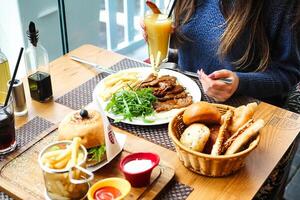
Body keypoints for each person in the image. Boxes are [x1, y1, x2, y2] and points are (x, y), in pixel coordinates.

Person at [142, 0, 300, 106]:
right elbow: (189, 40)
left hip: (244, 110)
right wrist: (163, 36)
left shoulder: (281, 4)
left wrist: (239, 83)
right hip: (182, 99)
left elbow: (288, 73)